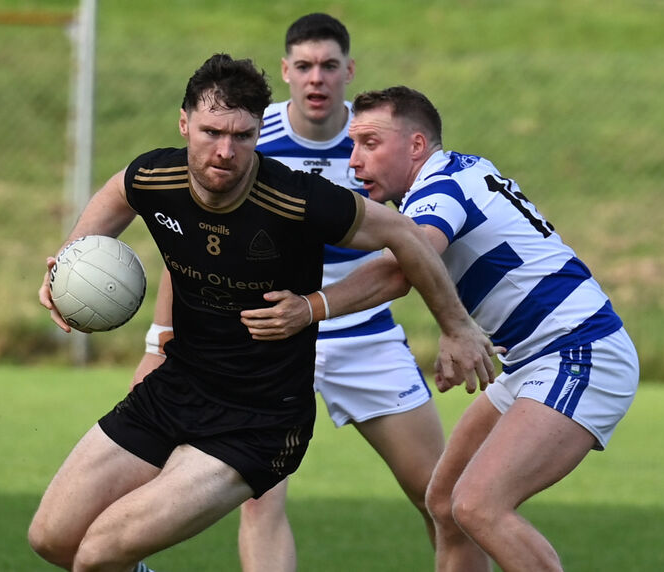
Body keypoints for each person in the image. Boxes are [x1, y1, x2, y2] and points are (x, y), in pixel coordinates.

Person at [29, 56, 496, 572]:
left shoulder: (295, 199)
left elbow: (404, 235)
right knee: (53, 539)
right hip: (176, 391)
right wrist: (69, 261)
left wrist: (456, 326)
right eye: (211, 132)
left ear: (258, 132)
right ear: (184, 123)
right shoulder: (156, 175)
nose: (225, 151)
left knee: (98, 553)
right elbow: (121, 189)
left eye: (243, 136)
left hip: (259, 421)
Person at [241, 86, 639, 572]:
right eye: (352, 143)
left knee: (479, 505)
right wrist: (456, 331)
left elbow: (400, 269)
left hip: (580, 352)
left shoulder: (440, 189)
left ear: (415, 145)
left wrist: (310, 308)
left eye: (370, 143)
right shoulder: (458, 172)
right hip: (533, 361)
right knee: (447, 503)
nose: (354, 159)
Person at [132, 14, 447, 571]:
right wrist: (158, 343)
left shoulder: (376, 143)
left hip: (362, 335)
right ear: (286, 72)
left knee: (439, 496)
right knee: (258, 501)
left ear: (349, 71)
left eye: (329, 66)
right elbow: (186, 245)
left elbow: (419, 240)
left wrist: (456, 325)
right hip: (262, 338)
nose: (316, 79)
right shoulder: (246, 137)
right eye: (303, 66)